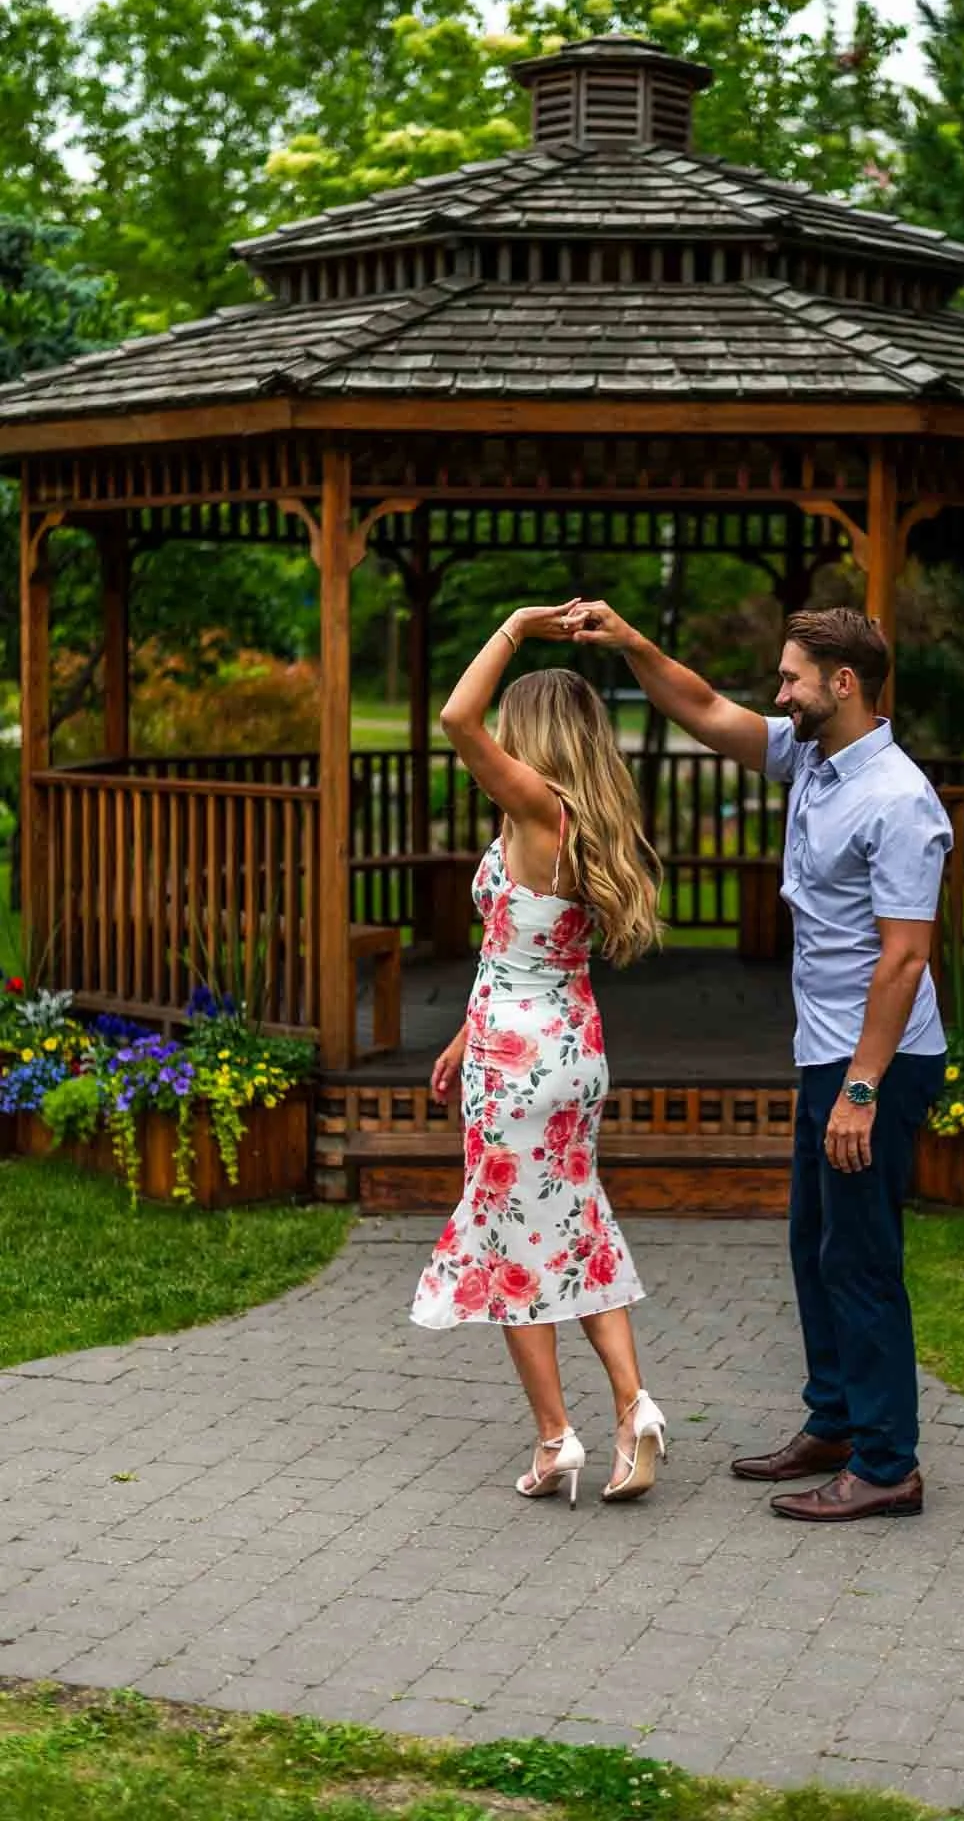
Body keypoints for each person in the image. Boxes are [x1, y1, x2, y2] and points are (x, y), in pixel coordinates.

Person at [568, 599, 951, 1524]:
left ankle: (888, 1463)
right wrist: (626, 641)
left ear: (842, 684)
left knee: (859, 1258)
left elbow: (903, 958)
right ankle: (835, 1422)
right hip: (828, 1054)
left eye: (790, 678)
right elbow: (700, 708)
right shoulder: (812, 759)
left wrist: (859, 1089)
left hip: (877, 1062)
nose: (777, 692)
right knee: (813, 1246)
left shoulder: (898, 800)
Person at [410, 602, 668, 1506]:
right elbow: (519, 947)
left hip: (515, 1066)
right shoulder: (592, 820)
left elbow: (454, 718)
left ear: (533, 738)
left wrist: (516, 625)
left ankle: (557, 1437)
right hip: (567, 1045)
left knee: (508, 1241)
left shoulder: (534, 806)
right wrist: (459, 1033)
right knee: (575, 1225)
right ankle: (634, 1408)